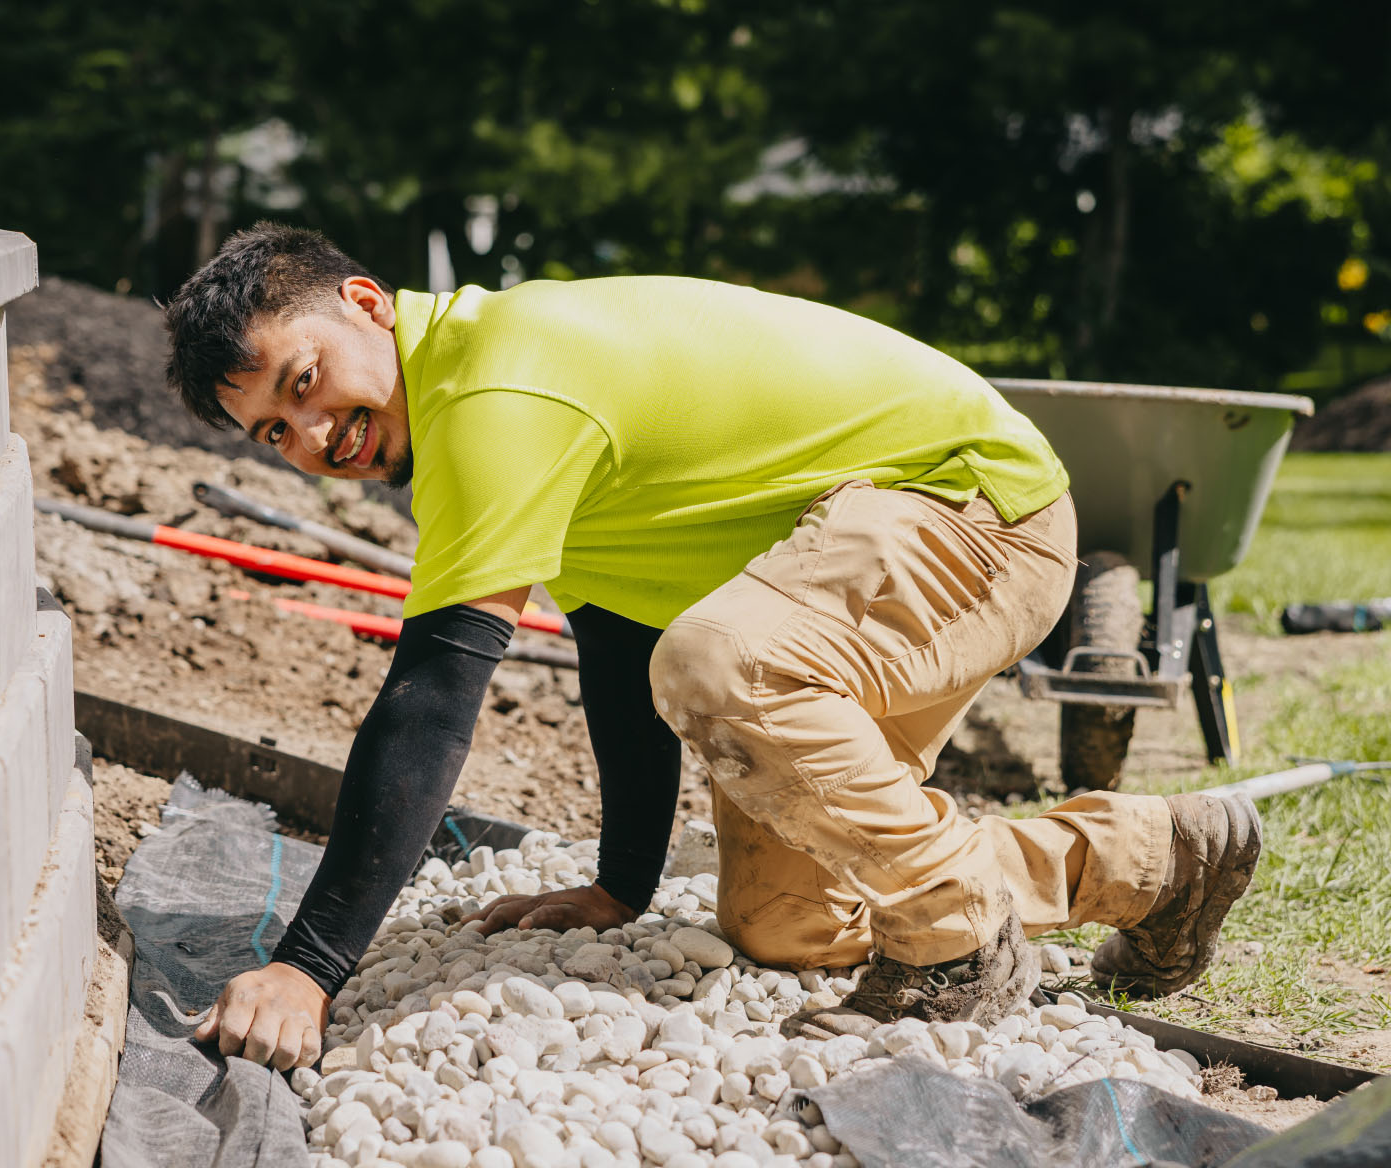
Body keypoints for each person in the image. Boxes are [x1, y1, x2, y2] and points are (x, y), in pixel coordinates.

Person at [163, 223, 1262, 1070]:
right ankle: (1155, 860)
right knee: (781, 921)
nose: (313, 438)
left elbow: (434, 693)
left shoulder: (493, 383)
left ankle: (955, 952)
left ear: (364, 303)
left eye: (302, 384)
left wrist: (307, 970)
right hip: (875, 548)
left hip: (968, 507)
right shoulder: (465, 407)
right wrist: (620, 885)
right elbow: (611, 631)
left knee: (715, 662)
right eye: (274, 432)